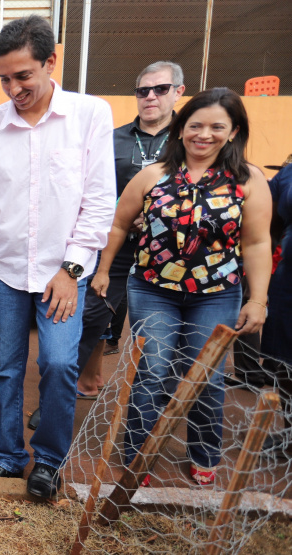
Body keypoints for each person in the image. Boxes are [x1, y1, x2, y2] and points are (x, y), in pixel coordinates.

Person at [0, 15, 115, 498]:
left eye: (23, 76)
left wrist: (71, 270)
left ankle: (48, 462)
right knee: (6, 367)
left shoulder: (90, 115)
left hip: (62, 273)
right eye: (4, 79)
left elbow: (99, 202)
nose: (13, 89)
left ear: (50, 62)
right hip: (7, 271)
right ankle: (9, 458)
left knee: (60, 364)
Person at [92, 88, 272, 486]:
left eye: (216, 127)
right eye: (195, 125)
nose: (204, 135)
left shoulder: (248, 180)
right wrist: (103, 270)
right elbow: (119, 224)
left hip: (217, 294)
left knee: (204, 374)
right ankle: (137, 456)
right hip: (153, 289)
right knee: (153, 370)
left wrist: (258, 299)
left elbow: (258, 243)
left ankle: (204, 453)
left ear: (233, 131)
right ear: (180, 128)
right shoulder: (153, 174)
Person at [28, 61, 186, 430]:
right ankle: (55, 402)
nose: (150, 97)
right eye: (142, 90)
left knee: (163, 333)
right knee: (86, 321)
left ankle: (155, 415)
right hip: (111, 250)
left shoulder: (190, 139)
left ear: (178, 92)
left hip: (170, 255)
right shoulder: (112, 138)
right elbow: (90, 190)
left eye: (160, 89)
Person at [259, 154, 292, 455]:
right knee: (284, 359)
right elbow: (266, 220)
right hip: (287, 281)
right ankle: (290, 432)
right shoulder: (288, 175)